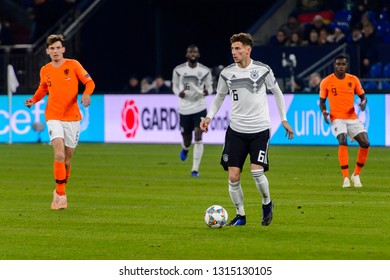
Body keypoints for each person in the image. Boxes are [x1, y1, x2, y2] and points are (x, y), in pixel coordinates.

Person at [200, 33, 294, 227]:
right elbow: (219, 97)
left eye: (238, 49)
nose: (234, 52)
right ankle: (240, 215)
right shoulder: (227, 73)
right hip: (236, 130)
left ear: (248, 50)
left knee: (257, 173)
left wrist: (283, 119)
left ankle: (267, 203)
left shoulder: (263, 70)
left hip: (259, 130)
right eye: (232, 49)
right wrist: (209, 116)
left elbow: (277, 92)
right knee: (233, 176)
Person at [24, 34, 95, 209]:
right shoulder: (45, 69)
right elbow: (42, 88)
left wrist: (86, 94)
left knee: (67, 161)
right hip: (53, 116)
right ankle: (61, 195)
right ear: (47, 51)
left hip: (72, 118)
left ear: (63, 49)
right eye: (52, 49)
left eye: (58, 48)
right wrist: (34, 100)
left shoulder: (73, 65)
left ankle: (58, 190)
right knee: (59, 154)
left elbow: (90, 82)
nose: (55, 51)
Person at [319, 55, 369, 188]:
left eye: (343, 64)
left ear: (346, 66)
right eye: (338, 64)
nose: (341, 66)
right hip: (336, 118)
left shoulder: (353, 80)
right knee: (342, 140)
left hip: (352, 118)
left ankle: (356, 174)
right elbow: (322, 102)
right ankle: (346, 177)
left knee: (365, 143)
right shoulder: (326, 81)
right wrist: (324, 113)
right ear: (334, 66)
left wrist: (363, 103)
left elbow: (363, 97)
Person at [172, 44, 214, 177]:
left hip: (199, 107)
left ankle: (195, 169)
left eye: (195, 52)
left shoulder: (205, 70)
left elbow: (211, 88)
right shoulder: (178, 70)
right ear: (187, 55)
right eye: (190, 52)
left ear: (198, 54)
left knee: (198, 136)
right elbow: (174, 86)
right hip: (184, 108)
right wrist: (179, 93)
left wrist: (208, 91)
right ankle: (185, 149)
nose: (193, 54)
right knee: (187, 139)